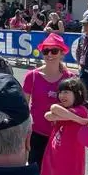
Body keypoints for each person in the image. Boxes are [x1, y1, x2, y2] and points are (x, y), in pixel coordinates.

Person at [21, 31, 72, 166]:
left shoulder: (71, 78)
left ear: (62, 53)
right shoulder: (32, 76)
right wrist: (23, 133)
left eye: (54, 51)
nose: (49, 54)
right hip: (36, 134)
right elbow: (23, 107)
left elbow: (78, 108)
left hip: (61, 135)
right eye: (46, 51)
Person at [40, 76, 88, 175]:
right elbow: (49, 114)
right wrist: (79, 120)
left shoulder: (81, 110)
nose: (62, 95)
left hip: (70, 157)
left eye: (66, 92)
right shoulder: (67, 111)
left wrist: (76, 118)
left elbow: (54, 111)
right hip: (54, 154)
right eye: (60, 92)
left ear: (78, 93)